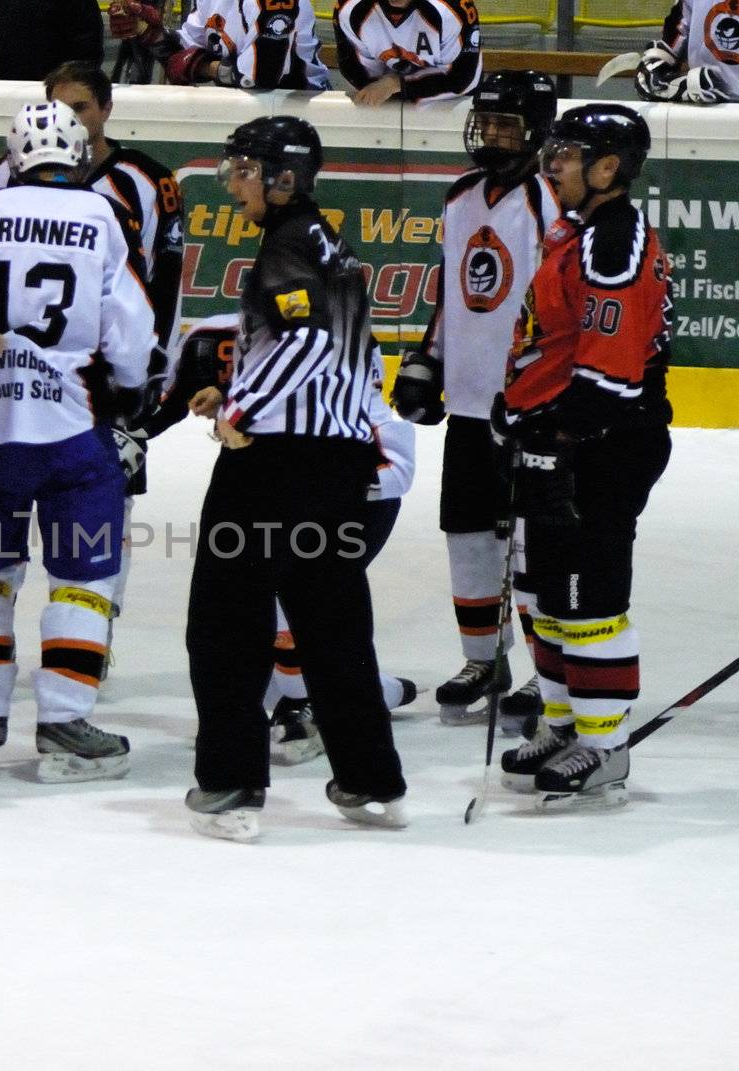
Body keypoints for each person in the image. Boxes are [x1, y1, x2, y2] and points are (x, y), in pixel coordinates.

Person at [182, 116, 407, 843]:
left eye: (244, 169)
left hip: (273, 467)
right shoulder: (328, 245)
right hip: (334, 466)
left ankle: (230, 783)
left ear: (282, 176)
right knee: (335, 627)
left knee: (224, 623)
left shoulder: (284, 245)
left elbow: (304, 341)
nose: (235, 182)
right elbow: (321, 352)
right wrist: (238, 386)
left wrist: (241, 406)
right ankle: (372, 780)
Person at [0, 100, 155, 783]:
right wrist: (132, 388)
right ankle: (62, 717)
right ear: (80, 151)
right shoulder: (103, 215)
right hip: (72, 433)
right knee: (84, 577)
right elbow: (132, 333)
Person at [0, 60, 186, 684]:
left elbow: (164, 284)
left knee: (105, 509)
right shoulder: (2, 172)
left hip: (103, 383)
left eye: (82, 108)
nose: (70, 120)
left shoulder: (148, 180)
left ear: (107, 109)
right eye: (58, 106)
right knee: (1, 507)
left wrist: (151, 373)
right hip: (15, 381)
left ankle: (92, 634)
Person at [494, 104, 673, 811]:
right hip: (563, 438)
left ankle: (603, 744)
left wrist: (559, 431)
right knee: (542, 590)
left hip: (606, 443)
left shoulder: (616, 240)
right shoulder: (576, 231)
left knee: (588, 595)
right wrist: (524, 413)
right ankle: (564, 722)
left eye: (567, 153)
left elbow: (612, 371)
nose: (551, 163)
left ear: (608, 168)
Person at [155, 314, 419, 765]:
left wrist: (333, 491)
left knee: (294, 604)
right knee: (249, 616)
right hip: (278, 488)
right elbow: (173, 399)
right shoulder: (217, 338)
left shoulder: (337, 354)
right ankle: (376, 693)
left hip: (355, 495)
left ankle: (309, 706)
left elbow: (393, 455)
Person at [391, 70, 561, 730]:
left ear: (537, 131)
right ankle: (483, 659)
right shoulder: (459, 197)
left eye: (506, 126)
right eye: (485, 123)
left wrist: (536, 390)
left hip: (526, 407)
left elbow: (554, 308)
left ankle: (550, 671)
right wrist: (425, 359)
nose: (490, 136)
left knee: (526, 544)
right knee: (466, 532)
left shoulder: (550, 204)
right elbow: (451, 293)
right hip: (466, 403)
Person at [112, 0, 330, 90]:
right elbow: (184, 54)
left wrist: (202, 66)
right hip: (244, 110)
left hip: (301, 112)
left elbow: (258, 76)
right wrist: (150, 33)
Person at [335, 0, 483, 106]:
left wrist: (395, 84)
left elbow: (462, 78)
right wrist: (391, 87)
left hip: (454, 102)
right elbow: (357, 74)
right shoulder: (349, 9)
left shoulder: (454, 8)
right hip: (385, 104)